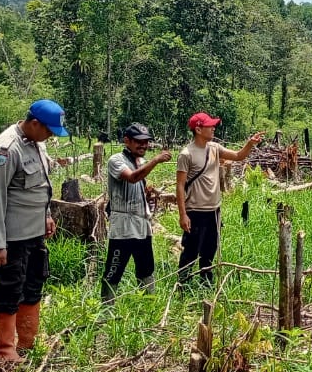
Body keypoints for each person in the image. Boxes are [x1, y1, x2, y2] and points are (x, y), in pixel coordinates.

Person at [0, 99, 68, 362]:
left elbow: (41, 185)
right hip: (13, 237)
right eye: (49, 130)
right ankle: (5, 350)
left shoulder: (37, 144)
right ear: (34, 123)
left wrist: (47, 215)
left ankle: (27, 343)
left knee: (33, 285)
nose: (51, 136)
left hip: (35, 233)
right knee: (9, 289)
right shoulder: (6, 149)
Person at [175, 112, 263, 286]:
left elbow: (238, 156)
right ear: (198, 129)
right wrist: (182, 215)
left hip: (214, 211)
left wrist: (250, 144)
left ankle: (206, 284)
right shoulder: (186, 154)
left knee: (209, 251)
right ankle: (183, 286)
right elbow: (179, 185)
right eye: (210, 126)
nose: (213, 128)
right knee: (191, 252)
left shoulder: (214, 147)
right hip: (195, 211)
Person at [100, 123, 173, 303]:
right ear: (127, 141)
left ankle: (148, 307)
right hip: (123, 225)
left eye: (146, 142)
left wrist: (145, 194)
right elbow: (132, 178)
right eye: (139, 142)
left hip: (141, 223)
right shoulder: (116, 160)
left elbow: (137, 181)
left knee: (146, 268)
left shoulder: (139, 161)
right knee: (114, 269)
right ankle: (106, 310)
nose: (144, 145)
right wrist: (155, 160)